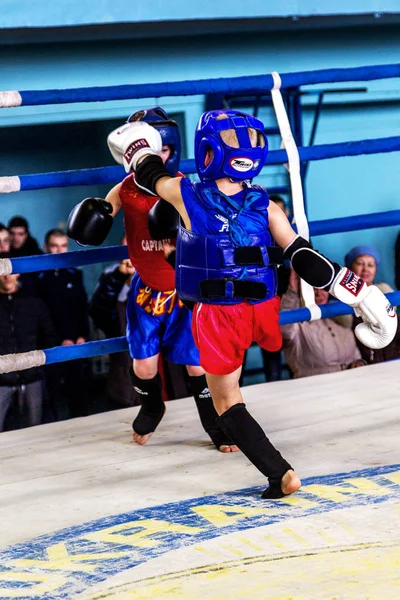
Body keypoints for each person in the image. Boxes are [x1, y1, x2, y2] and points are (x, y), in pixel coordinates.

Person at [104, 109, 397, 499]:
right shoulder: (266, 203)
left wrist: (138, 146)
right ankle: (269, 464)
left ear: (206, 152)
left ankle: (280, 474)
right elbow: (302, 254)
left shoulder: (190, 197)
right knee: (229, 383)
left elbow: (149, 175)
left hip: (219, 314)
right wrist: (360, 292)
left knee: (227, 400)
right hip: (259, 311)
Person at [67, 107, 236, 453]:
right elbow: (103, 214)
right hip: (146, 292)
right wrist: (91, 218)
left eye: (159, 149)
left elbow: (214, 229)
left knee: (196, 363)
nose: (152, 157)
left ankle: (214, 423)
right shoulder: (126, 188)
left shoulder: (185, 187)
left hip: (186, 289)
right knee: (143, 365)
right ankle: (152, 405)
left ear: (170, 149)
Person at [0, 253, 58, 432]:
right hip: (1, 379)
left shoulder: (33, 301)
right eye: (3, 271)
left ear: (19, 273)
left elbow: (48, 335)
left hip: (32, 375)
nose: (8, 276)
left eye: (12, 271)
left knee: (36, 431)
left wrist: (40, 366)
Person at [36, 228, 90, 418]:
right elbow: (40, 316)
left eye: (63, 246)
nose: (59, 251)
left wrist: (83, 335)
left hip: (76, 343)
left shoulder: (75, 275)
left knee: (79, 395)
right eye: (54, 246)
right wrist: (57, 340)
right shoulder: (37, 277)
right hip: (50, 346)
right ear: (45, 247)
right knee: (53, 398)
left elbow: (83, 308)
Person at [280, 269, 365, 378]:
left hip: (349, 384)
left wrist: (360, 363)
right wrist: (292, 291)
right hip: (315, 389)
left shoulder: (340, 317)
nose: (319, 293)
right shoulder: (298, 323)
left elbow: (356, 356)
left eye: (323, 288)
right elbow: (284, 329)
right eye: (312, 289)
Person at [345, 245, 400, 364]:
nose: (365, 269)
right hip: (364, 364)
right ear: (350, 267)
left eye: (370, 265)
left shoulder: (385, 291)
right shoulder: (341, 299)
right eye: (360, 263)